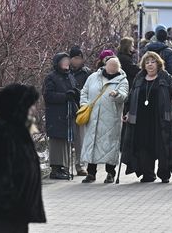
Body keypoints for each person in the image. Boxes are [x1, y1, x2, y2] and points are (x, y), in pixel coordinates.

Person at [122, 51, 172, 183]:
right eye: (147, 62)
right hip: (142, 119)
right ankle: (148, 173)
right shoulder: (139, 78)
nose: (150, 65)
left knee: (163, 145)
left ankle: (164, 173)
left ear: (158, 64)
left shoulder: (165, 77)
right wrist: (126, 112)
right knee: (143, 145)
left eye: (152, 62)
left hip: (161, 118)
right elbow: (131, 97)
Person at [0, 84, 46, 232]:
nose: (34, 110)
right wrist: (9, 205)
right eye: (30, 106)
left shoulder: (18, 132)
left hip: (15, 215)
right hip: (4, 216)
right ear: (17, 108)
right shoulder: (2, 134)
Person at [81, 57, 129, 184]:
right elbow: (84, 92)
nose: (112, 68)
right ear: (105, 65)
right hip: (93, 117)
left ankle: (110, 173)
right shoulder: (93, 77)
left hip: (111, 119)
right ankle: (91, 173)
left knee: (110, 145)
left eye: (115, 66)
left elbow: (124, 96)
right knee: (92, 143)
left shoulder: (122, 80)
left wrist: (116, 95)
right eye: (110, 65)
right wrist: (84, 105)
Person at [43, 52, 79, 179]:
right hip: (56, 114)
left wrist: (75, 94)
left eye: (67, 61)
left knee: (65, 141)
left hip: (68, 114)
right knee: (57, 141)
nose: (66, 63)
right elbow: (48, 96)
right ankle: (56, 168)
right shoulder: (51, 77)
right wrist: (65, 96)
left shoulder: (70, 76)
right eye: (63, 61)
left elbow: (73, 91)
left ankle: (62, 167)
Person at [69, 46, 92, 176]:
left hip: (82, 108)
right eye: (75, 58)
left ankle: (81, 165)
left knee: (81, 139)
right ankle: (65, 165)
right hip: (68, 107)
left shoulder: (87, 73)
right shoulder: (66, 72)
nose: (78, 61)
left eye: (80, 58)